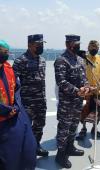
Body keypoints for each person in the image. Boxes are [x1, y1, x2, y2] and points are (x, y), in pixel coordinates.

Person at [54, 34, 90, 168]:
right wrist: (76, 90)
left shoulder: (80, 60)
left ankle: (70, 147)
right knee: (64, 128)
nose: (79, 46)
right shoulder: (61, 60)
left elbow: (84, 77)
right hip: (67, 103)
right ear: (69, 44)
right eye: (76, 44)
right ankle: (60, 154)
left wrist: (86, 87)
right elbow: (61, 81)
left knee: (74, 125)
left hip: (78, 101)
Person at [0, 40, 37, 170]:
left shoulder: (8, 68)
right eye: (1, 52)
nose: (4, 54)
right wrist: (6, 110)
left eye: (5, 52)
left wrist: (15, 105)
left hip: (16, 114)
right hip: (3, 120)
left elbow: (16, 89)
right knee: (9, 160)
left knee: (29, 150)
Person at [13, 34, 49, 156]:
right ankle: (24, 150)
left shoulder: (42, 60)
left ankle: (36, 145)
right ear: (29, 45)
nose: (41, 46)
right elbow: (14, 83)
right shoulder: (20, 61)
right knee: (25, 127)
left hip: (41, 101)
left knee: (39, 125)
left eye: (42, 44)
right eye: (38, 44)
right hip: (27, 102)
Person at [76, 40, 100, 140]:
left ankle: (94, 128)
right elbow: (80, 74)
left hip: (96, 90)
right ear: (88, 48)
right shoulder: (82, 58)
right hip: (86, 90)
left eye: (96, 47)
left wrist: (97, 86)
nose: (94, 49)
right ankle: (83, 128)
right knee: (84, 110)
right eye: (92, 47)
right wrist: (87, 86)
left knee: (96, 109)